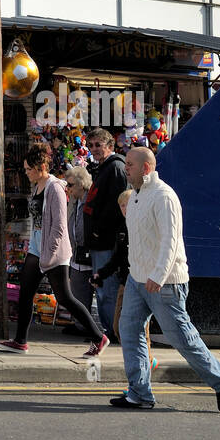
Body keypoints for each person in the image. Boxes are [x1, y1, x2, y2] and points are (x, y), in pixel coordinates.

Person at [111, 146, 220, 411]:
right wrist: (134, 273)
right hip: (137, 279)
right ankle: (139, 393)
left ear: (146, 168)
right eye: (126, 163)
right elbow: (140, 242)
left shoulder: (164, 196)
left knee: (182, 339)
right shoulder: (138, 197)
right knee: (129, 332)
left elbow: (170, 241)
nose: (126, 167)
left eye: (130, 164)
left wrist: (159, 274)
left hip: (164, 283)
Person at [0, 144, 108, 356]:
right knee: (25, 293)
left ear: (40, 167)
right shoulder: (37, 186)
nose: (26, 172)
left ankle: (98, 337)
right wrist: (35, 246)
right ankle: (20, 341)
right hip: (37, 245)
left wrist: (49, 254)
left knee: (65, 298)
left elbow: (59, 226)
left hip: (53, 251)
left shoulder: (55, 187)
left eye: (28, 169)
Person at [92, 189, 155, 371]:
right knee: (118, 327)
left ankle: (145, 364)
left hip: (141, 282)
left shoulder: (142, 226)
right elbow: (118, 257)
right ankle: (143, 362)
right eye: (121, 205)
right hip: (126, 282)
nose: (124, 208)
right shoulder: (122, 228)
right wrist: (101, 274)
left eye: (127, 204)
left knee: (139, 328)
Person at [83, 128, 128, 342]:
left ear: (109, 145)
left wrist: (99, 229)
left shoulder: (115, 168)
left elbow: (118, 205)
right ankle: (109, 332)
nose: (94, 149)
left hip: (106, 240)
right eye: (91, 145)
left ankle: (112, 332)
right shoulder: (104, 168)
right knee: (101, 288)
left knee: (106, 289)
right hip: (100, 239)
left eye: (98, 145)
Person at [63, 165, 94, 336]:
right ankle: (80, 324)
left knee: (90, 292)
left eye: (71, 185)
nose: (68, 188)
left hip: (89, 252)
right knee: (77, 291)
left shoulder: (90, 200)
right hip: (76, 253)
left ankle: (92, 329)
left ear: (81, 184)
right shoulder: (76, 201)